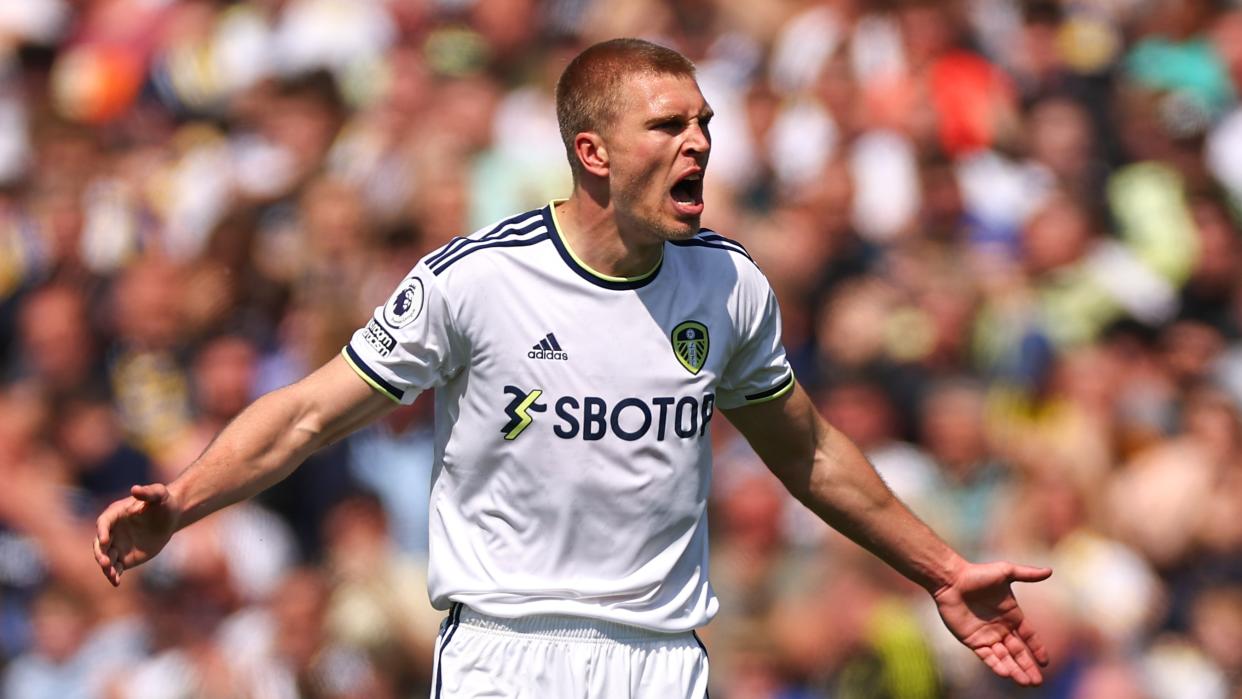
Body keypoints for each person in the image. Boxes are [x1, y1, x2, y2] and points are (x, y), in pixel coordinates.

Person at [94, 38, 1052, 698]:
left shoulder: (728, 286)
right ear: (591, 152)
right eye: (669, 126)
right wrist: (184, 499)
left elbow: (807, 451)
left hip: (663, 659)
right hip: (508, 655)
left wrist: (941, 569)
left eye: (705, 125)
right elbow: (307, 413)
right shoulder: (479, 279)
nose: (701, 145)